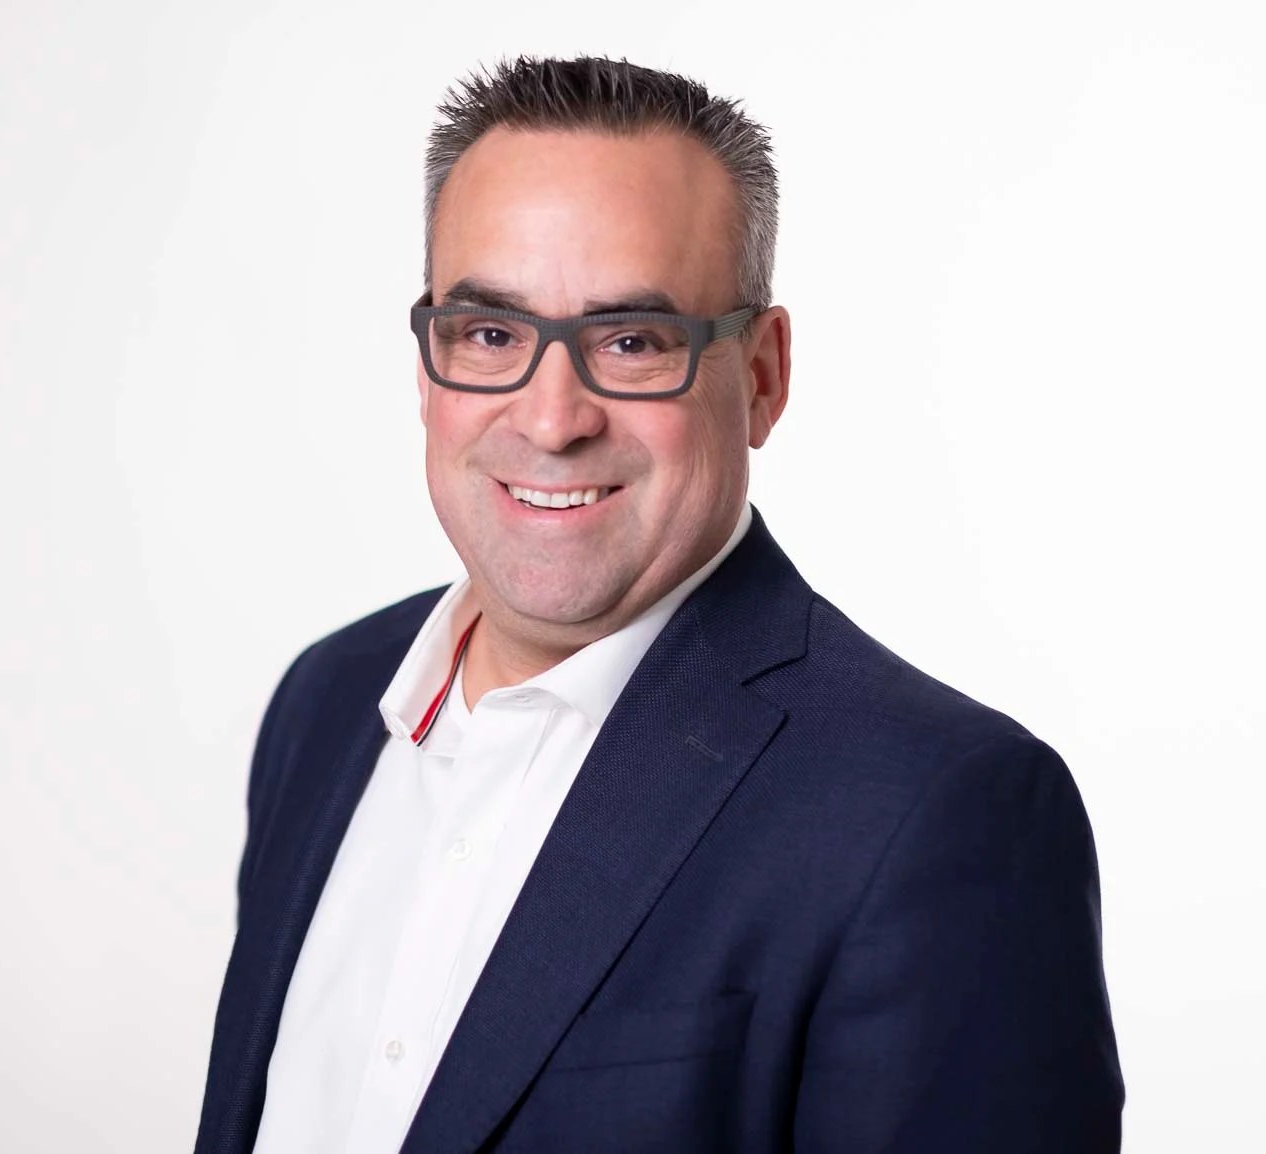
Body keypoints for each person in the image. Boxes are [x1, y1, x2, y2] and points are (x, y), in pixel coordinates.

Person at [194, 55, 1123, 1154]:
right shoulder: (326, 702)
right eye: (490, 333)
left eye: (632, 342)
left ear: (763, 374)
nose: (551, 419)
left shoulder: (936, 812)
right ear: (430, 359)